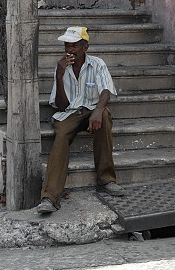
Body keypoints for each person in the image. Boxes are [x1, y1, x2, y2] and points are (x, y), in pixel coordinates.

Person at [37, 26, 125, 214]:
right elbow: (61, 105)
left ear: (85, 46)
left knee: (105, 118)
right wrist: (60, 76)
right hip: (69, 112)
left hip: (92, 109)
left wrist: (98, 111)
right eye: (67, 45)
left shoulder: (97, 64)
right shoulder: (62, 67)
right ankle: (49, 198)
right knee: (60, 137)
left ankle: (106, 179)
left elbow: (106, 91)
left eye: (75, 45)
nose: (70, 49)